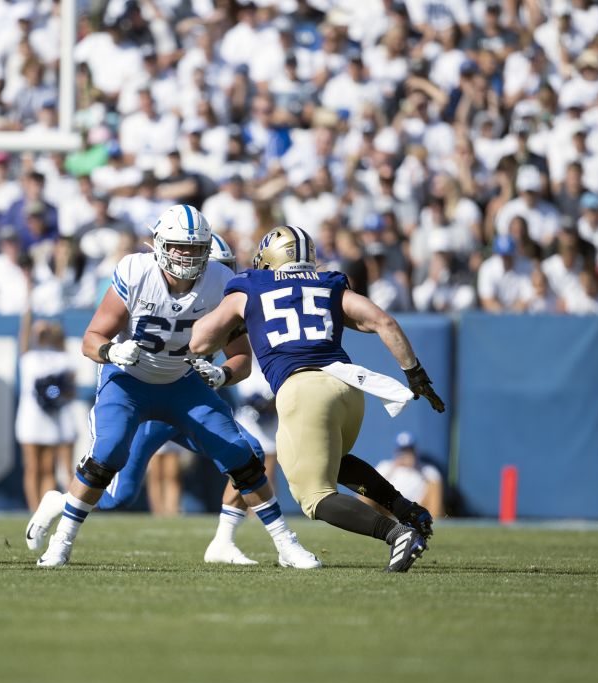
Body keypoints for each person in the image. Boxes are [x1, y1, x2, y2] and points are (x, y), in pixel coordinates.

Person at [25, 205, 319, 569]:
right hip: (129, 383)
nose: (188, 255)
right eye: (180, 246)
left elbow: (240, 356)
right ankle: (61, 543)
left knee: (242, 455)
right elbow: (91, 339)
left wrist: (222, 375)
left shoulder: (221, 282)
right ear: (160, 244)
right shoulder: (135, 271)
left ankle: (286, 545)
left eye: (196, 248)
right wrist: (113, 350)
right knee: (109, 456)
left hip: (183, 384)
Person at [189, 225, 445, 573]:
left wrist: (239, 322)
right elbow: (383, 321)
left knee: (315, 497)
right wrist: (414, 373)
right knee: (333, 460)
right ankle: (405, 510)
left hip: (303, 390)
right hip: (349, 388)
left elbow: (200, 341)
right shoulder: (328, 282)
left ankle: (396, 534)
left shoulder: (250, 285)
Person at [16, 285, 78, 512]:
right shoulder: (29, 356)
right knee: (32, 466)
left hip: (53, 417)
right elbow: (24, 336)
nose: (43, 334)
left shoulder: (62, 358)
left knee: (48, 467)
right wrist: (29, 308)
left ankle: (45, 509)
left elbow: (71, 387)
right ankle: (34, 509)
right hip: (31, 417)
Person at [373, 432, 445, 518]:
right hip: (389, 508)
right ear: (396, 451)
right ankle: (361, 518)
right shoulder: (385, 466)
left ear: (415, 451)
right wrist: (393, 467)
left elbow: (435, 485)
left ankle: (432, 524)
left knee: (434, 486)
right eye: (402, 451)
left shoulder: (427, 469)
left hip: (417, 509)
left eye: (409, 450)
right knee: (369, 485)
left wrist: (415, 467)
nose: (405, 454)